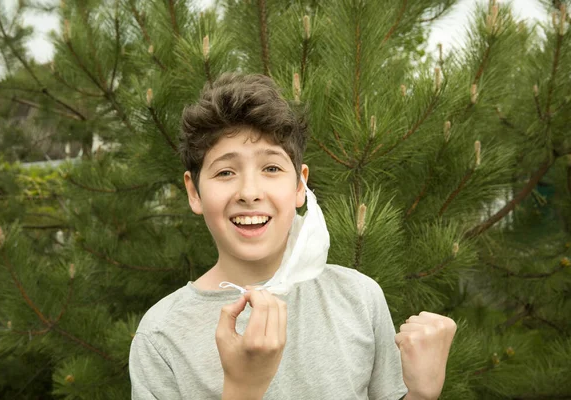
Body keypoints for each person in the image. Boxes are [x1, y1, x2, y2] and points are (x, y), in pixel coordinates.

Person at [129, 73, 457, 400]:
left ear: (300, 186)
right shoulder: (161, 336)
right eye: (225, 172)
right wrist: (243, 389)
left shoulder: (359, 298)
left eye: (271, 168)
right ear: (194, 191)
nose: (249, 192)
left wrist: (420, 395)